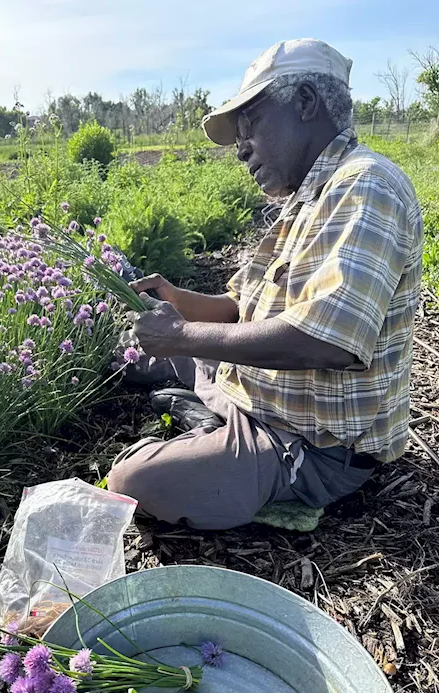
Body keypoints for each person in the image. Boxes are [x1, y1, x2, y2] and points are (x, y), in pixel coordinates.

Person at [107, 38, 423, 531]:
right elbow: (241, 309)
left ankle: (227, 440)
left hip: (308, 444)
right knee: (142, 354)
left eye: (250, 125)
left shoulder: (367, 185)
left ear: (305, 104)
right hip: (266, 394)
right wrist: (175, 299)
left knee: (133, 482)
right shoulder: (307, 197)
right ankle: (212, 412)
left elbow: (327, 342)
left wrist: (182, 335)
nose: (241, 150)